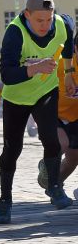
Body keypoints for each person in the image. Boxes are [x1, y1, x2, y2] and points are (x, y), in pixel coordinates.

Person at [0, 0, 76, 224]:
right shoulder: (15, 32)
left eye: (48, 19)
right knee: (12, 150)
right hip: (17, 97)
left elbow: (68, 42)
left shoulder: (61, 24)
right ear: (27, 14)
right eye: (39, 20)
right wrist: (35, 68)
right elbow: (6, 74)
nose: (44, 25)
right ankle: (5, 202)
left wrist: (69, 73)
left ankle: (54, 187)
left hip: (45, 92)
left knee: (51, 140)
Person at [37, 30, 78, 194]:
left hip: (74, 117)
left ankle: (54, 185)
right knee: (62, 144)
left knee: (74, 157)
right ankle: (49, 169)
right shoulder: (62, 63)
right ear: (74, 48)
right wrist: (4, 86)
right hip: (53, 114)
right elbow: (33, 79)